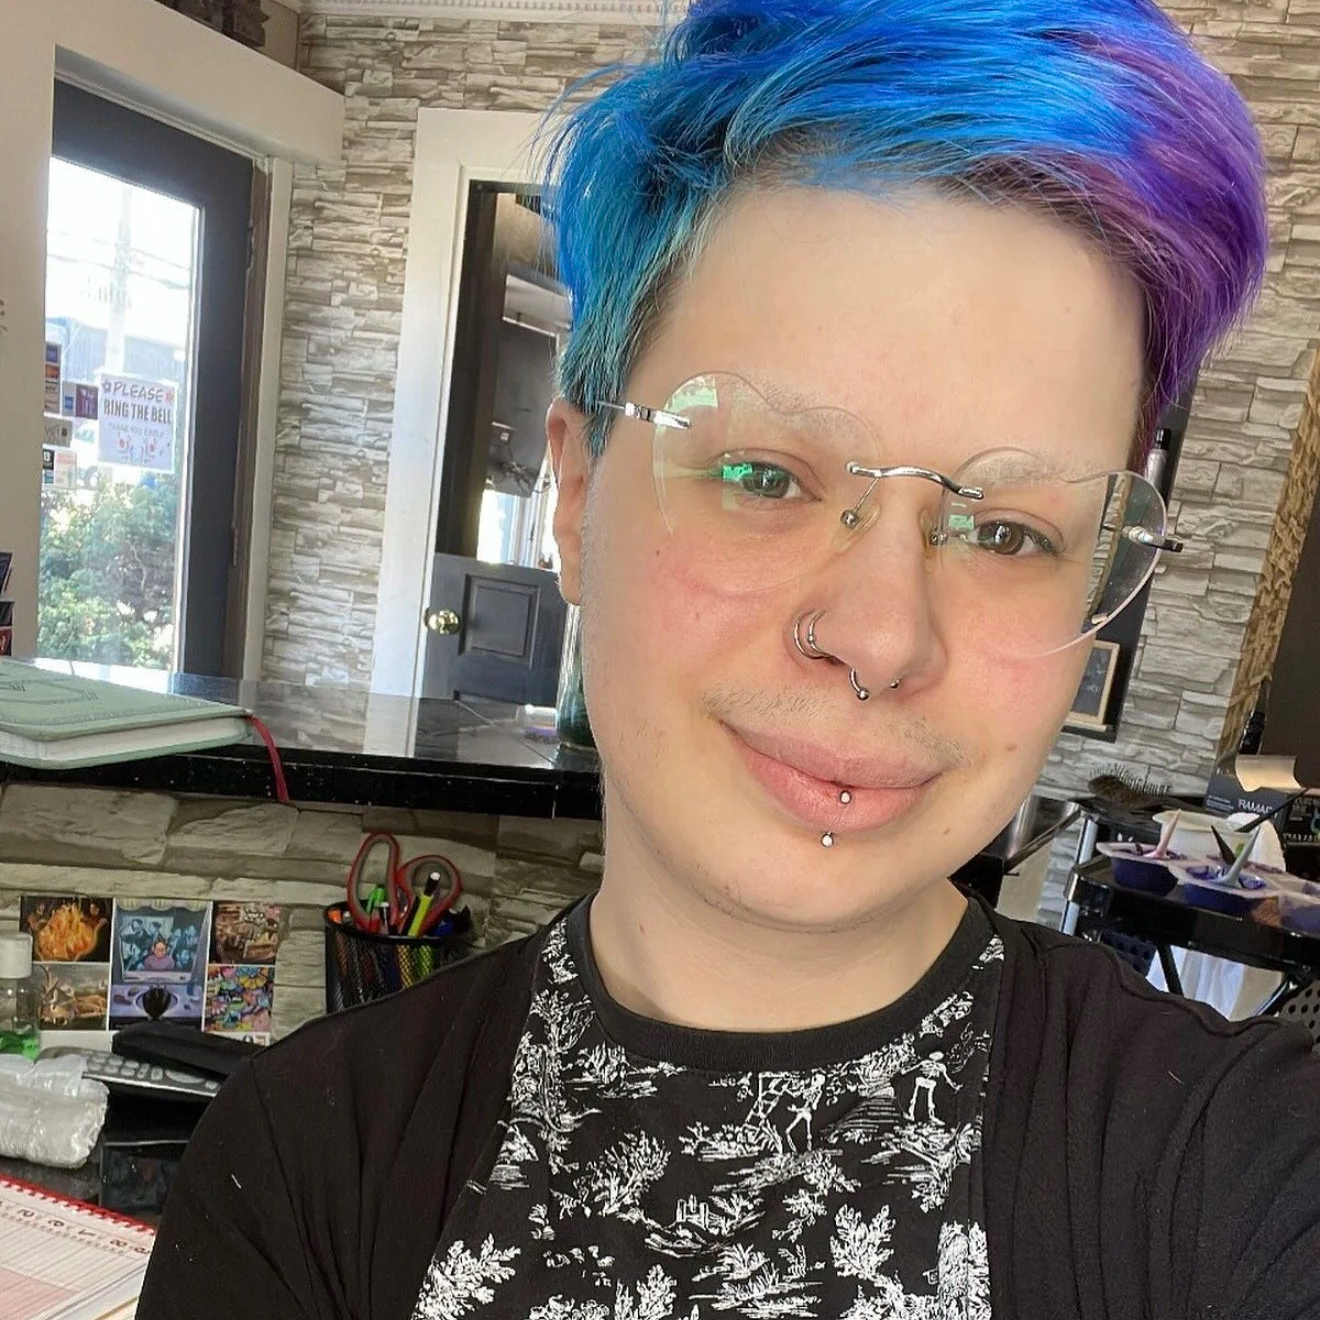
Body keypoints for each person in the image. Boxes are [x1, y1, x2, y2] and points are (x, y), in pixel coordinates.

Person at [139, 3, 1320, 1318]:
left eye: (1008, 531)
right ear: (575, 499)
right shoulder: (302, 1166)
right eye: (764, 474)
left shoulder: (1247, 1171)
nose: (881, 636)